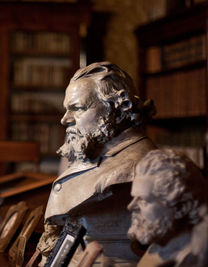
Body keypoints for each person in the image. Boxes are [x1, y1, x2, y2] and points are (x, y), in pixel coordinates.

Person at [36, 62, 157, 265]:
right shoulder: (94, 150)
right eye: (67, 109)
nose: (65, 120)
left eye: (77, 108)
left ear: (118, 107)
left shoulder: (140, 165)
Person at [128, 149, 208, 267]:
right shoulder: (161, 242)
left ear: (181, 208)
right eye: (134, 198)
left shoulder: (194, 257)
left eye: (144, 201)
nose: (130, 206)